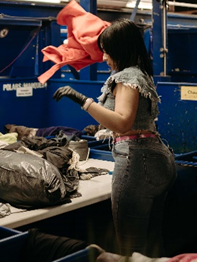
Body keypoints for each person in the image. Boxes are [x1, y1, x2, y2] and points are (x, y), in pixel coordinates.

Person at [53, 18, 177, 258]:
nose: (103, 58)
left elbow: (122, 121)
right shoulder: (141, 74)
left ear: (120, 50)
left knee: (131, 248)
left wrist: (82, 100)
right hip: (155, 158)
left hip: (136, 161)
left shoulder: (126, 77)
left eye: (107, 52)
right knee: (152, 241)